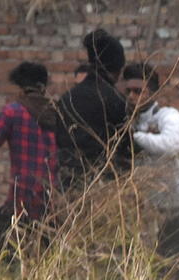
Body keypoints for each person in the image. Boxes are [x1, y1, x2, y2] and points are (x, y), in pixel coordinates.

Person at [122, 63, 179, 280]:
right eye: (128, 91)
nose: (132, 97)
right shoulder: (133, 122)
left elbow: (172, 145)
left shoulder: (168, 116)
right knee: (168, 276)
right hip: (168, 214)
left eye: (139, 91)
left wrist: (135, 138)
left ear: (152, 93)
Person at [0, 62, 58, 261]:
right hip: (51, 202)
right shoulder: (57, 113)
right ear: (43, 86)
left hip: (20, 201)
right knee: (46, 264)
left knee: (2, 263)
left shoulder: (14, 112)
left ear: (21, 86)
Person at [55, 29, 130, 188]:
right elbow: (126, 146)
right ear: (116, 68)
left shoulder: (67, 98)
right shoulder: (113, 99)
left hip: (69, 183)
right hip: (103, 186)